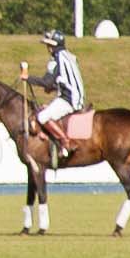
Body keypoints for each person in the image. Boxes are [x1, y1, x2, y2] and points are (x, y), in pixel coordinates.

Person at [22, 29, 87, 162]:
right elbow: (62, 80)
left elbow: (47, 81)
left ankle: (65, 142)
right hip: (75, 95)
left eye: (48, 45)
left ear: (53, 46)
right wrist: (52, 87)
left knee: (42, 116)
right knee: (46, 109)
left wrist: (28, 78)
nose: (48, 48)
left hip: (69, 99)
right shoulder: (69, 56)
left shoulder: (56, 60)